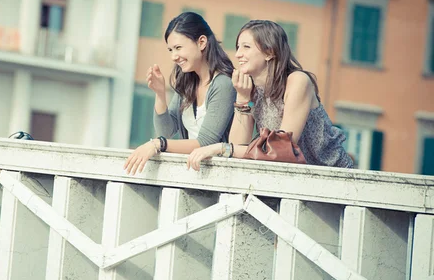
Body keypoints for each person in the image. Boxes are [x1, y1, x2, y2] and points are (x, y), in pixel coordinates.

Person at [187, 19, 353, 171]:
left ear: (269, 52)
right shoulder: (252, 89)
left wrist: (220, 148)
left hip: (333, 177)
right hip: (296, 179)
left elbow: (283, 148)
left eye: (246, 47)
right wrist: (243, 99)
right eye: (238, 47)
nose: (238, 54)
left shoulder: (297, 81)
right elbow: (238, 146)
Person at [124, 12, 236, 175]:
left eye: (178, 48)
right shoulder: (187, 80)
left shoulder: (223, 84)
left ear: (202, 42)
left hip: (220, 175)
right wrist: (160, 94)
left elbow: (205, 142)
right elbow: (166, 132)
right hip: (193, 172)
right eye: (170, 50)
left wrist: (157, 144)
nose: (173, 56)